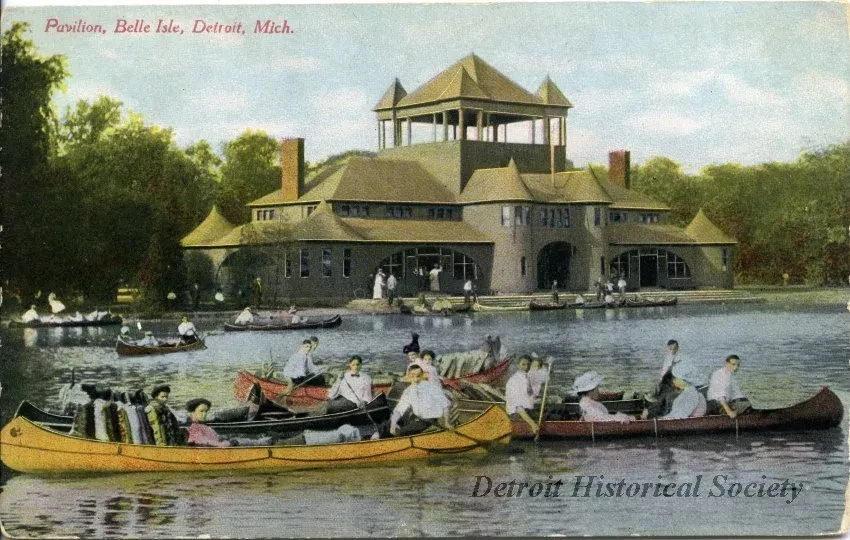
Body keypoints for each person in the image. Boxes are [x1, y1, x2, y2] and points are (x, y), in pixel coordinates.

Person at [389, 363, 451, 436]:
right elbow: (399, 409)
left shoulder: (431, 387)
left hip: (430, 421)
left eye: (418, 376)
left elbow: (445, 404)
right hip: (417, 418)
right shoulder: (408, 391)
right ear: (408, 376)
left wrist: (447, 423)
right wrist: (393, 423)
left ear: (422, 375)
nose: (415, 379)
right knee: (389, 426)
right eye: (412, 376)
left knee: (400, 433)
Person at [186, 398, 273, 447]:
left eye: (206, 411)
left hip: (221, 444)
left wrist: (224, 439)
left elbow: (215, 437)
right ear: (192, 412)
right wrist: (225, 443)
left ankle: (262, 442)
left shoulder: (203, 426)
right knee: (242, 441)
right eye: (201, 411)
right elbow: (205, 441)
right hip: (216, 449)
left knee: (243, 440)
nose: (204, 414)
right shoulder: (193, 429)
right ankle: (262, 443)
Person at [504, 355, 538, 433]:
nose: (526, 367)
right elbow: (518, 407)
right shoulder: (513, 381)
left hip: (528, 411)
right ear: (518, 365)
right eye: (523, 364)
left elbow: (529, 399)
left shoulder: (527, 378)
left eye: (528, 364)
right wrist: (532, 424)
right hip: (517, 415)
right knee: (557, 416)